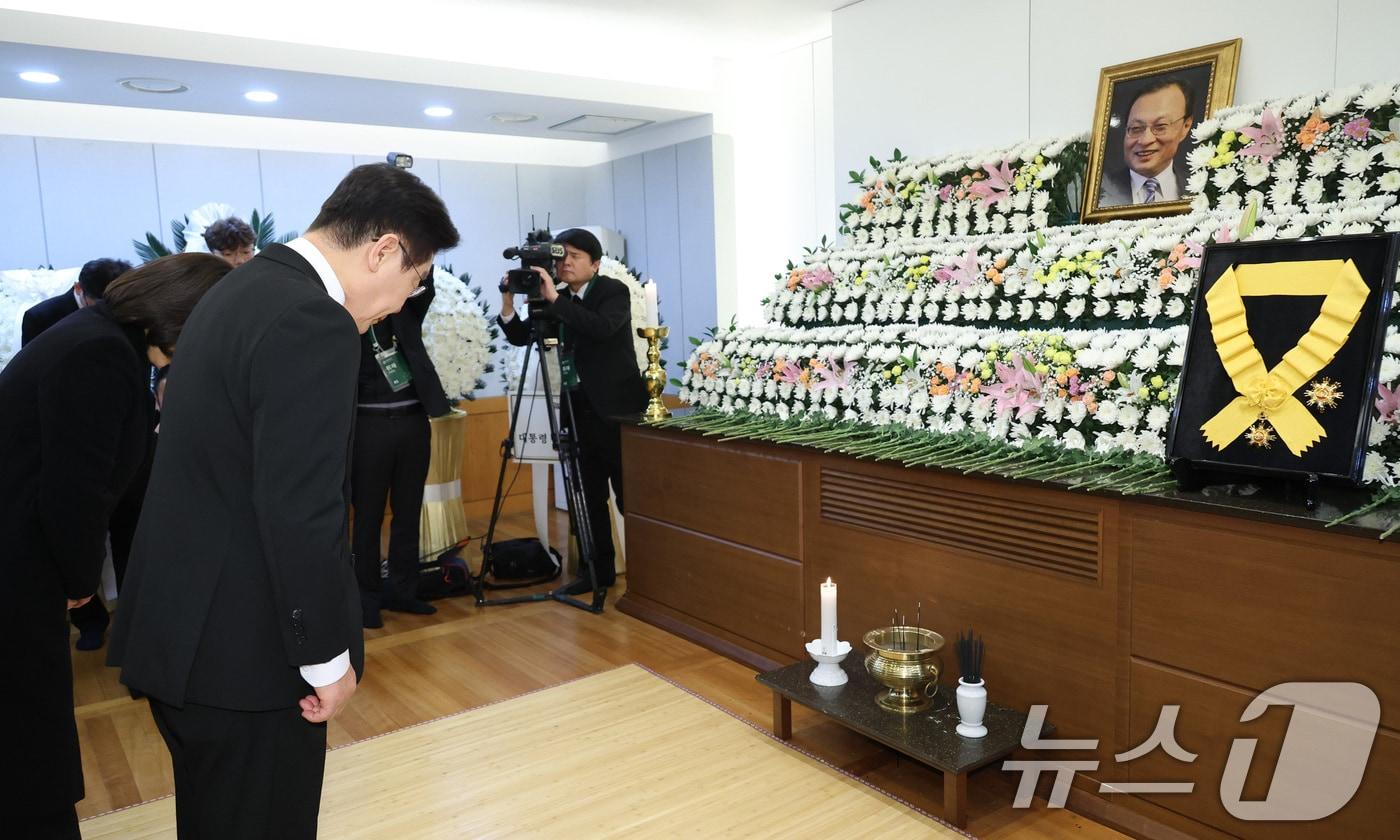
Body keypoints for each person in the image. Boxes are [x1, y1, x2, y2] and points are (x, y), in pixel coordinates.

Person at [108, 163, 459, 840]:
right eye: (410, 285)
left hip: (189, 636)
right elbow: (301, 509)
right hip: (245, 656)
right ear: (383, 249)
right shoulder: (310, 319)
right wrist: (327, 658)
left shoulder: (247, 289)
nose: (396, 306)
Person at [0, 253, 229, 840]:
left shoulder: (98, 336)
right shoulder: (101, 354)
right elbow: (73, 490)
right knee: (31, 733)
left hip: (21, 553)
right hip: (18, 565)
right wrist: (79, 585)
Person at [498, 228, 646, 595]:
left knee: (630, 496)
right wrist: (508, 302)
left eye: (575, 257)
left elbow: (601, 328)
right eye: (561, 256)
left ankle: (650, 574)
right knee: (587, 495)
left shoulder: (612, 291)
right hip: (576, 409)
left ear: (595, 264)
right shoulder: (556, 298)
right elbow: (521, 337)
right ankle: (597, 572)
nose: (565, 263)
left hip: (617, 412)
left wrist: (554, 299)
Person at [352, 263, 453, 628]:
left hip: (412, 422)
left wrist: (413, 244)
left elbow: (425, 282)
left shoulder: (407, 311)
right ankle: (366, 598)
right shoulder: (346, 321)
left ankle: (404, 591)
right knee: (367, 516)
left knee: (408, 511)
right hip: (368, 428)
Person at [1098, 77, 1196, 207]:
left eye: (1160, 127)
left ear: (1185, 126)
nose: (1145, 141)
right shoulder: (1100, 191)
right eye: (1136, 128)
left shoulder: (1200, 188)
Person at [20, 257, 131, 346]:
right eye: (100, 304)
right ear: (78, 288)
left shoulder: (125, 307)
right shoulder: (40, 318)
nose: (107, 310)